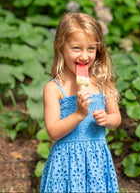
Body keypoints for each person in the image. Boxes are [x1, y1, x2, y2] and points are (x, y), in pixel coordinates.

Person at [40, 12, 121, 193]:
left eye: (91, 49)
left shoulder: (103, 83)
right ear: (60, 47)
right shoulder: (54, 88)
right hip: (65, 164)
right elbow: (53, 132)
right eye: (76, 48)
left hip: (97, 162)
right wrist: (78, 114)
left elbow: (117, 118)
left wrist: (107, 119)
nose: (84, 56)